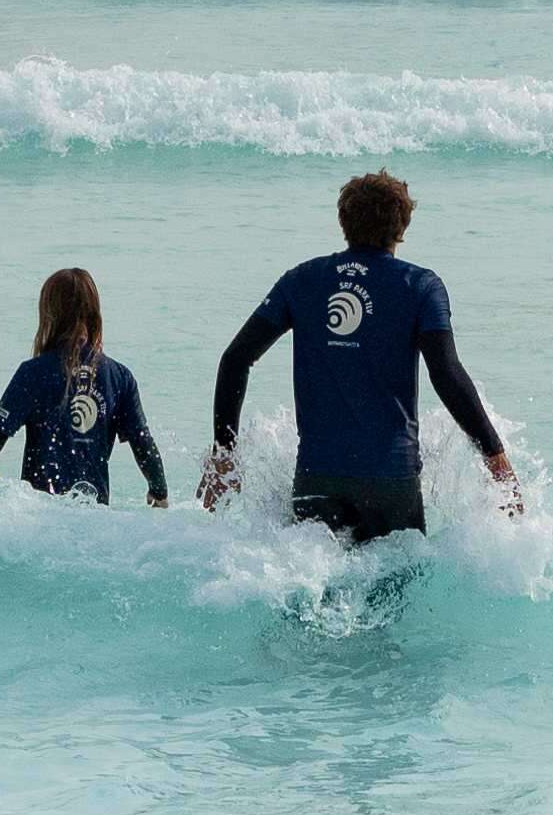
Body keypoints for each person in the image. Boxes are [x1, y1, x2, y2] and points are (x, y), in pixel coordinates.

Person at [204, 168, 514, 538]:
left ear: (343, 222)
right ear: (403, 226)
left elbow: (236, 358)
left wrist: (224, 455)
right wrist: (493, 454)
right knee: (396, 592)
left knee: (315, 590)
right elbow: (446, 374)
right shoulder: (420, 286)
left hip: (317, 477)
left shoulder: (301, 280)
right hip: (390, 479)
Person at [0, 268, 169, 503]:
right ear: (95, 314)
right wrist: (159, 492)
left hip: (42, 513)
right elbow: (142, 442)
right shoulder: (119, 376)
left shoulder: (32, 373)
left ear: (49, 316)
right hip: (97, 515)